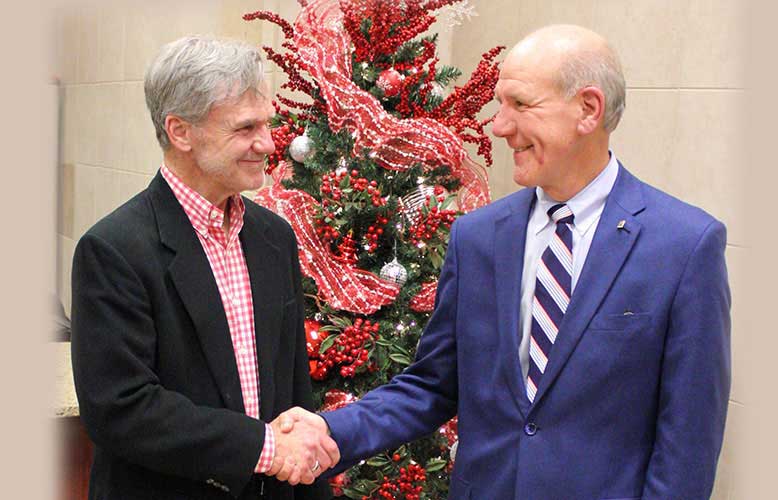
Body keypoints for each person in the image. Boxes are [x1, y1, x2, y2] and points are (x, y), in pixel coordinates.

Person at [280, 24, 731, 499]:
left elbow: (688, 441)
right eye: (500, 104)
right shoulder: (477, 237)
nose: (499, 125)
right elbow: (432, 384)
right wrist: (330, 432)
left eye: (520, 104)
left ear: (588, 110)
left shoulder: (683, 245)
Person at [70, 36, 338, 500]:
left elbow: (294, 390)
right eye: (245, 128)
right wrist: (265, 447)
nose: (268, 143)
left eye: (267, 124)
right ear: (181, 132)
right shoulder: (113, 250)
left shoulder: (273, 237)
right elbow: (122, 408)